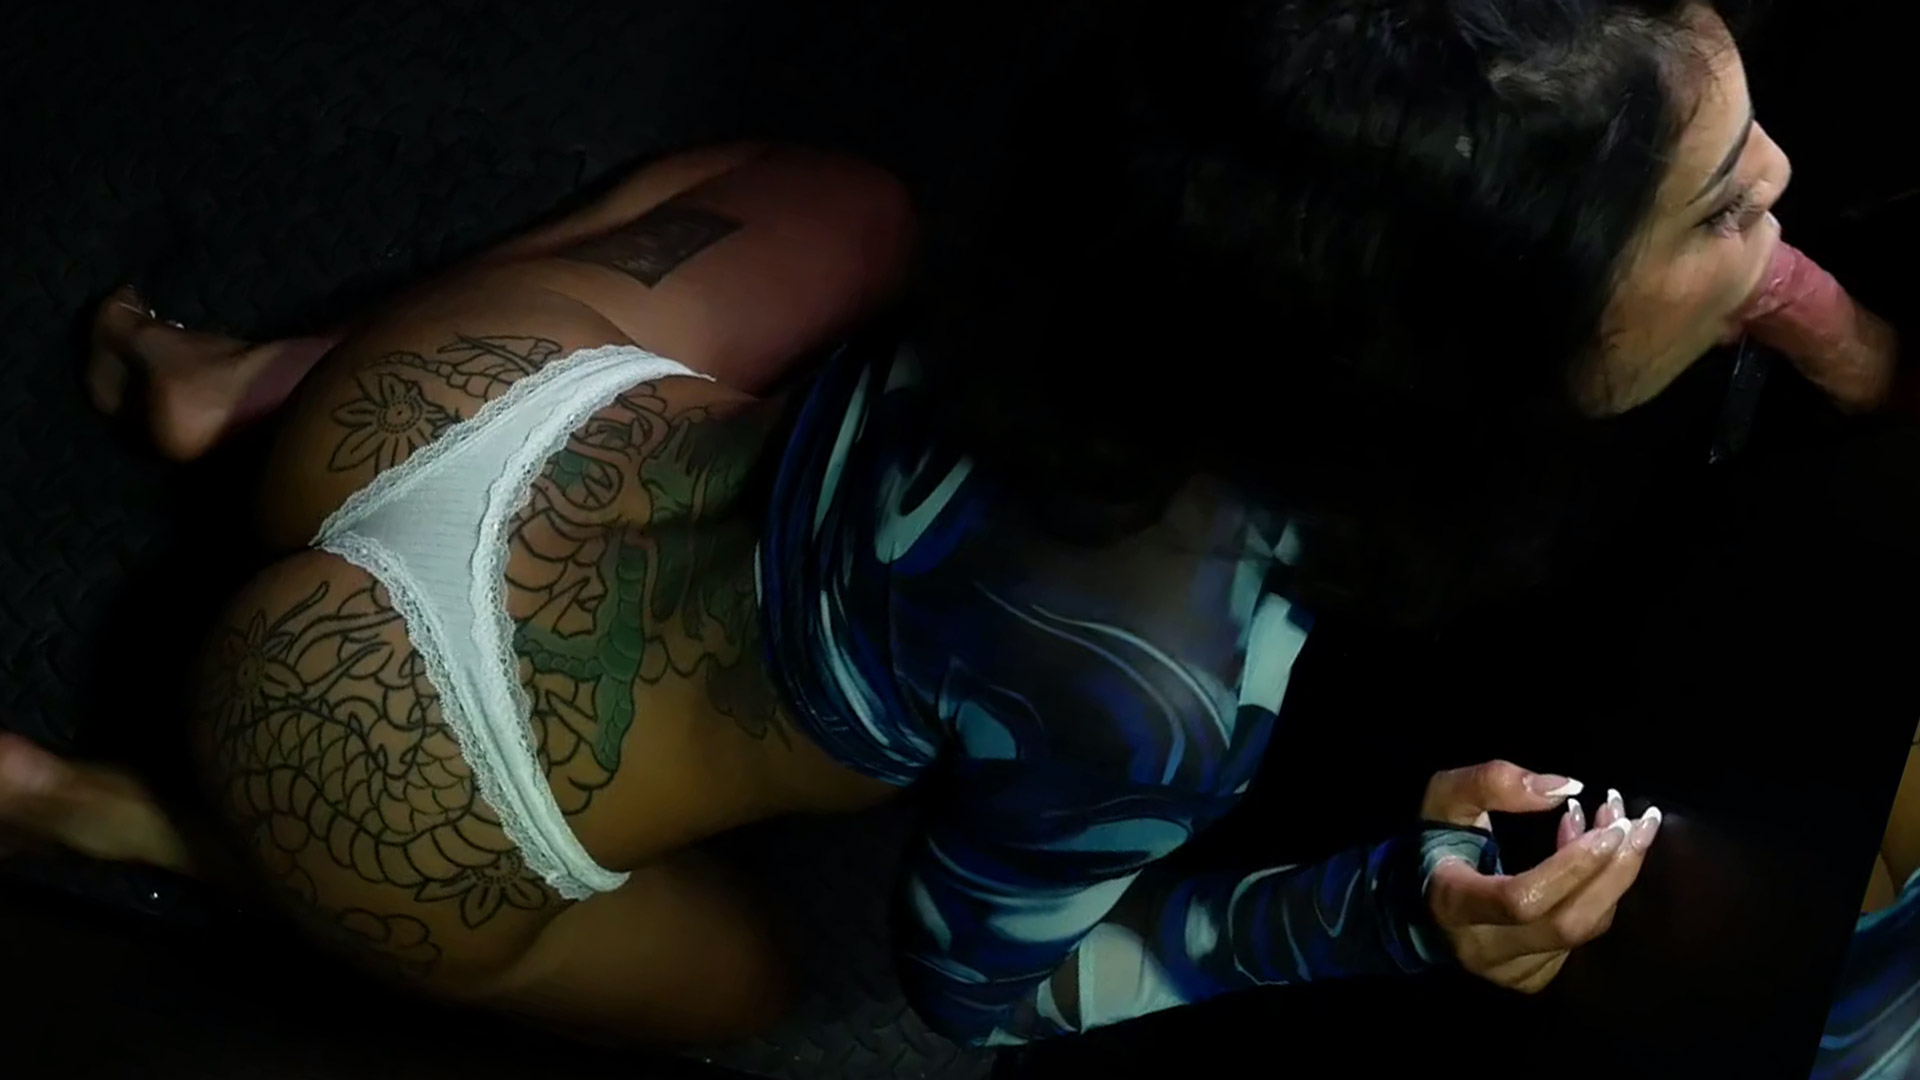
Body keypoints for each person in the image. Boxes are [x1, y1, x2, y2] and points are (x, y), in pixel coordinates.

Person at [0, 0, 1899, 1055]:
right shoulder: (1163, 688)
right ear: (1477, 355)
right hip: (375, 762)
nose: (1785, 182)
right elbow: (987, 989)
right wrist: (1382, 911)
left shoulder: (1147, 205)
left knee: (848, 209)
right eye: (1723, 206)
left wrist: (1814, 325)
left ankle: (252, 388)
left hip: (453, 410)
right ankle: (147, 822)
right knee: (758, 992)